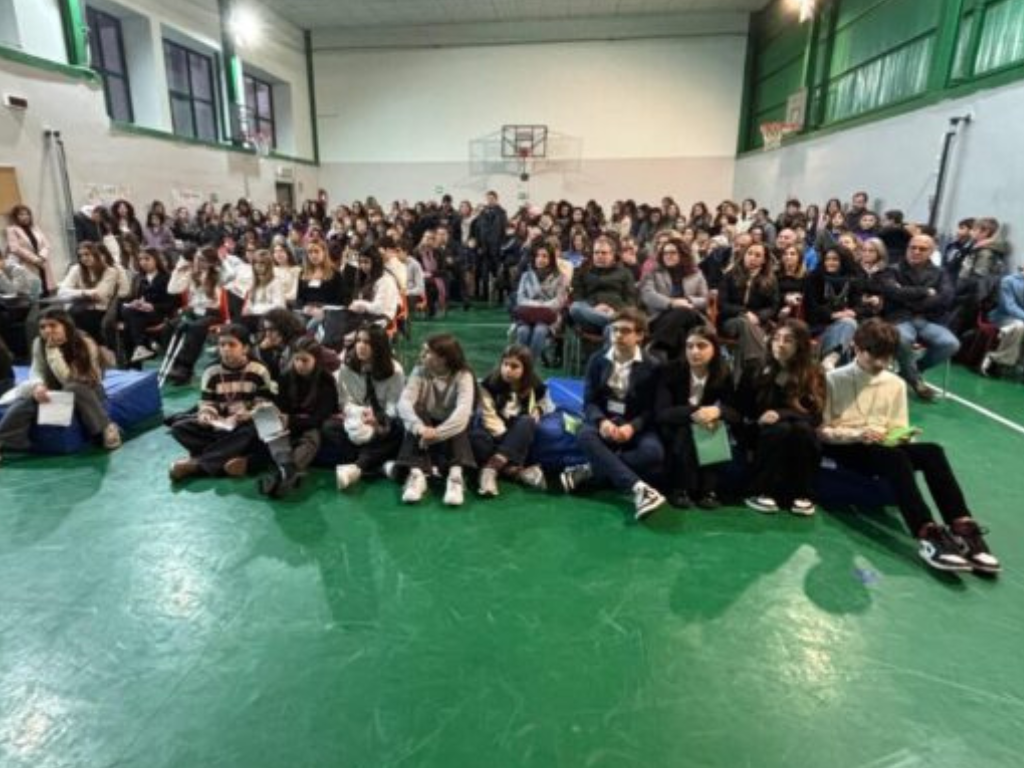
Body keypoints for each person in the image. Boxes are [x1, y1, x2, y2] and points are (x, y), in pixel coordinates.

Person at [820, 319, 1000, 573]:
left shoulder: (895, 384)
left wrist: (904, 436)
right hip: (846, 446)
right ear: (856, 348)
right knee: (895, 458)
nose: (881, 364)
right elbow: (821, 431)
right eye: (874, 356)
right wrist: (857, 434)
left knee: (932, 451)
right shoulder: (832, 380)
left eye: (887, 357)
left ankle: (962, 527)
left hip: (883, 445)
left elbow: (897, 425)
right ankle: (927, 532)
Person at [560, 308, 666, 520]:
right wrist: (601, 422)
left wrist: (632, 427)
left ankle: (590, 470)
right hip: (606, 419)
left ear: (639, 335)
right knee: (584, 435)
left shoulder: (653, 366)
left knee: (653, 453)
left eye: (625, 331)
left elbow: (652, 409)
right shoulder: (597, 360)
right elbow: (590, 401)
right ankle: (639, 489)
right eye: (615, 330)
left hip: (634, 423)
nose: (618, 335)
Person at [0, 309, 121, 463]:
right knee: (26, 399)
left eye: (53, 325)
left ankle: (106, 427)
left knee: (73, 387)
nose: (47, 330)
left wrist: (53, 352)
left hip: (87, 390)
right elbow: (37, 370)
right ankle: (7, 442)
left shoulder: (84, 342)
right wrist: (38, 386)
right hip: (57, 390)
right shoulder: (38, 343)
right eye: (42, 327)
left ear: (66, 325)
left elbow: (69, 379)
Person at [168, 323, 275, 481]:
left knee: (256, 428)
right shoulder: (211, 371)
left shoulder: (259, 370)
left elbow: (264, 404)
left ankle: (199, 464)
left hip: (244, 424)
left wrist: (249, 414)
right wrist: (206, 414)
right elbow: (207, 402)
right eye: (222, 345)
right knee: (179, 428)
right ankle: (229, 457)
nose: (225, 349)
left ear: (245, 348)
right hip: (221, 425)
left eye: (232, 345)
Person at [739, 319, 824, 516]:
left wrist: (782, 414)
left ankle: (802, 494)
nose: (780, 344)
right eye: (776, 338)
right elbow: (742, 408)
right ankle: (760, 490)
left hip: (796, 429)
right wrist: (759, 420)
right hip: (758, 428)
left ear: (800, 345)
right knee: (780, 429)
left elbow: (815, 417)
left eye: (788, 340)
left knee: (802, 430)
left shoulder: (812, 372)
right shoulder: (755, 367)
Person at [655, 325, 739, 509]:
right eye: (690, 346)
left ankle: (709, 491)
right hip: (674, 426)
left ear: (715, 349)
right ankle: (681, 488)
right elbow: (662, 413)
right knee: (687, 429)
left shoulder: (723, 373)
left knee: (713, 427)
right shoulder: (670, 370)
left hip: (707, 427)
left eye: (701, 346)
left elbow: (734, 412)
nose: (694, 351)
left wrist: (717, 412)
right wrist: (700, 412)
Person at [395, 333, 477, 506]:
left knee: (458, 422)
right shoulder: (419, 370)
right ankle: (417, 475)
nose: (422, 355)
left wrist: (436, 434)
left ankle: (455, 478)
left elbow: (463, 413)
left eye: (427, 352)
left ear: (443, 358)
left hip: (449, 429)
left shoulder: (464, 375)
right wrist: (419, 428)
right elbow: (404, 402)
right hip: (426, 425)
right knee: (417, 411)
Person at [258, 337, 338, 498]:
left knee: (312, 438)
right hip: (288, 422)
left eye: (305, 360)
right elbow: (280, 406)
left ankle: (283, 473)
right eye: (296, 360)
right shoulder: (286, 377)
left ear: (316, 360)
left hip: (310, 424)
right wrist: (272, 413)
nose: (300, 364)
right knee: (271, 431)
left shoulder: (326, 380)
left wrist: (291, 420)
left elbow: (319, 417)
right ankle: (288, 470)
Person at [882, 234, 959, 401]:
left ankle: (910, 372)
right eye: (913, 247)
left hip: (927, 320)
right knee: (902, 339)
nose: (916, 251)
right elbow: (893, 292)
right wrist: (925, 292)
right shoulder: (892, 270)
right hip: (899, 318)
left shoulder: (940, 273)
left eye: (922, 249)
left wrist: (909, 298)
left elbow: (946, 298)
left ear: (931, 252)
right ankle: (915, 381)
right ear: (907, 248)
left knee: (951, 344)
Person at [330, 325, 406, 490]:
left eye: (367, 342)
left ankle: (357, 467)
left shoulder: (395, 371)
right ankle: (380, 466)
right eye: (358, 341)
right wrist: (358, 413)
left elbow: (394, 406)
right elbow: (344, 400)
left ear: (379, 346)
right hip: (356, 417)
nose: (361, 346)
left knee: (398, 429)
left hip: (381, 418)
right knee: (329, 428)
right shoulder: (347, 366)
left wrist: (377, 418)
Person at [472, 344, 552, 496]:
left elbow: (545, 401)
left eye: (514, 366)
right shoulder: (489, 384)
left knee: (528, 422)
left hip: (516, 426)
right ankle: (513, 471)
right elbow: (488, 416)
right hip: (495, 430)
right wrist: (509, 440)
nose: (507, 370)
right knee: (476, 436)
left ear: (525, 369)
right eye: (505, 364)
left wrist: (539, 409)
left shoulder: (535, 384)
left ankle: (490, 470)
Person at [164, 247, 226, 385]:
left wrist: (219, 264)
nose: (197, 262)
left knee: (195, 328)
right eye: (196, 258)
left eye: (202, 260)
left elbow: (230, 276)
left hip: (212, 313)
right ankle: (173, 364)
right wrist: (178, 270)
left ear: (210, 262)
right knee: (170, 326)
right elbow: (172, 290)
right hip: (194, 311)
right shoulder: (191, 274)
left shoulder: (218, 275)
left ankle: (185, 368)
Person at [639, 237, 708, 361]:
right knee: (680, 333)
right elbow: (647, 295)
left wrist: (689, 301)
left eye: (672, 253)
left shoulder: (696, 274)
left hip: (692, 317)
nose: (668, 256)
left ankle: (656, 346)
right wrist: (672, 303)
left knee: (684, 312)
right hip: (660, 317)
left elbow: (705, 299)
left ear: (682, 254)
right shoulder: (653, 272)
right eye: (665, 253)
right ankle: (675, 366)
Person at [718, 241, 779, 378]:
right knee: (744, 323)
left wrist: (758, 317)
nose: (752, 258)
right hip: (730, 321)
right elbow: (723, 304)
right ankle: (760, 366)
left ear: (764, 260)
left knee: (750, 329)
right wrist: (745, 313)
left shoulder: (770, 279)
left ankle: (746, 374)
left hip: (758, 322)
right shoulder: (730, 275)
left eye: (758, 255)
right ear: (744, 255)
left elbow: (773, 306)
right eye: (749, 253)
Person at [805, 244, 862, 367]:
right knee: (849, 325)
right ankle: (832, 360)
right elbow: (811, 308)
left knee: (849, 324)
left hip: (846, 325)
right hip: (819, 327)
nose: (830, 263)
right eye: (827, 259)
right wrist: (833, 315)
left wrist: (853, 312)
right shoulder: (814, 278)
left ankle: (830, 362)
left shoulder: (853, 279)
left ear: (844, 261)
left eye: (835, 259)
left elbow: (860, 305)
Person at [569, 235, 636, 333]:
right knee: (575, 308)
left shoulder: (625, 273)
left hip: (616, 311)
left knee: (610, 329)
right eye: (596, 253)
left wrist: (614, 310)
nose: (599, 256)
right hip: (589, 315)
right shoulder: (582, 271)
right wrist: (593, 310)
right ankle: (616, 323)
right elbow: (577, 296)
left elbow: (630, 300)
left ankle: (614, 323)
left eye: (604, 253)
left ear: (613, 255)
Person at [514, 241, 567, 364]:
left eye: (544, 256)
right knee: (523, 331)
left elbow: (559, 301)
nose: (540, 259)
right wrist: (536, 305)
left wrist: (542, 306)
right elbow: (520, 299)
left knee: (540, 330)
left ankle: (529, 365)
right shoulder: (526, 276)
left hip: (548, 317)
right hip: (527, 315)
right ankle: (520, 363)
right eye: (538, 256)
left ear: (551, 259)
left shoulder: (560, 277)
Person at [58, 241, 120, 344]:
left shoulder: (110, 271)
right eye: (80, 256)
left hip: (99, 310)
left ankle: (93, 347)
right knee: (63, 318)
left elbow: (100, 295)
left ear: (95, 254)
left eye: (87, 254)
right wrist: (85, 293)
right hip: (78, 308)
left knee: (82, 319)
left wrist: (74, 293)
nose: (84, 258)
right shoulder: (76, 269)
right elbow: (62, 292)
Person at [121, 248, 174, 365]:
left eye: (147, 259)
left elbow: (171, 303)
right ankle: (141, 348)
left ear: (156, 260)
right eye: (140, 259)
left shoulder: (167, 277)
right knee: (126, 311)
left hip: (159, 313)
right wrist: (135, 302)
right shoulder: (138, 278)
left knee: (130, 320)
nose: (143, 262)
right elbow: (133, 297)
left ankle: (141, 347)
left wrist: (152, 306)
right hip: (140, 313)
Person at [981, 269, 1024, 376]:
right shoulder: (1009, 281)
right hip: (1003, 316)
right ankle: (996, 359)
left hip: (1020, 319)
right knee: (1019, 327)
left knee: (1019, 326)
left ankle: (1018, 364)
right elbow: (1008, 306)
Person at [5, 205, 56, 294]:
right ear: (15, 216)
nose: (25, 217)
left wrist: (42, 256)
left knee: (47, 289)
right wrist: (34, 259)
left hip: (42, 262)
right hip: (28, 264)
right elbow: (15, 248)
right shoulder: (12, 230)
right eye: (21, 214)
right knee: (34, 291)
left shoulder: (35, 227)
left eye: (27, 214)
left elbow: (46, 244)